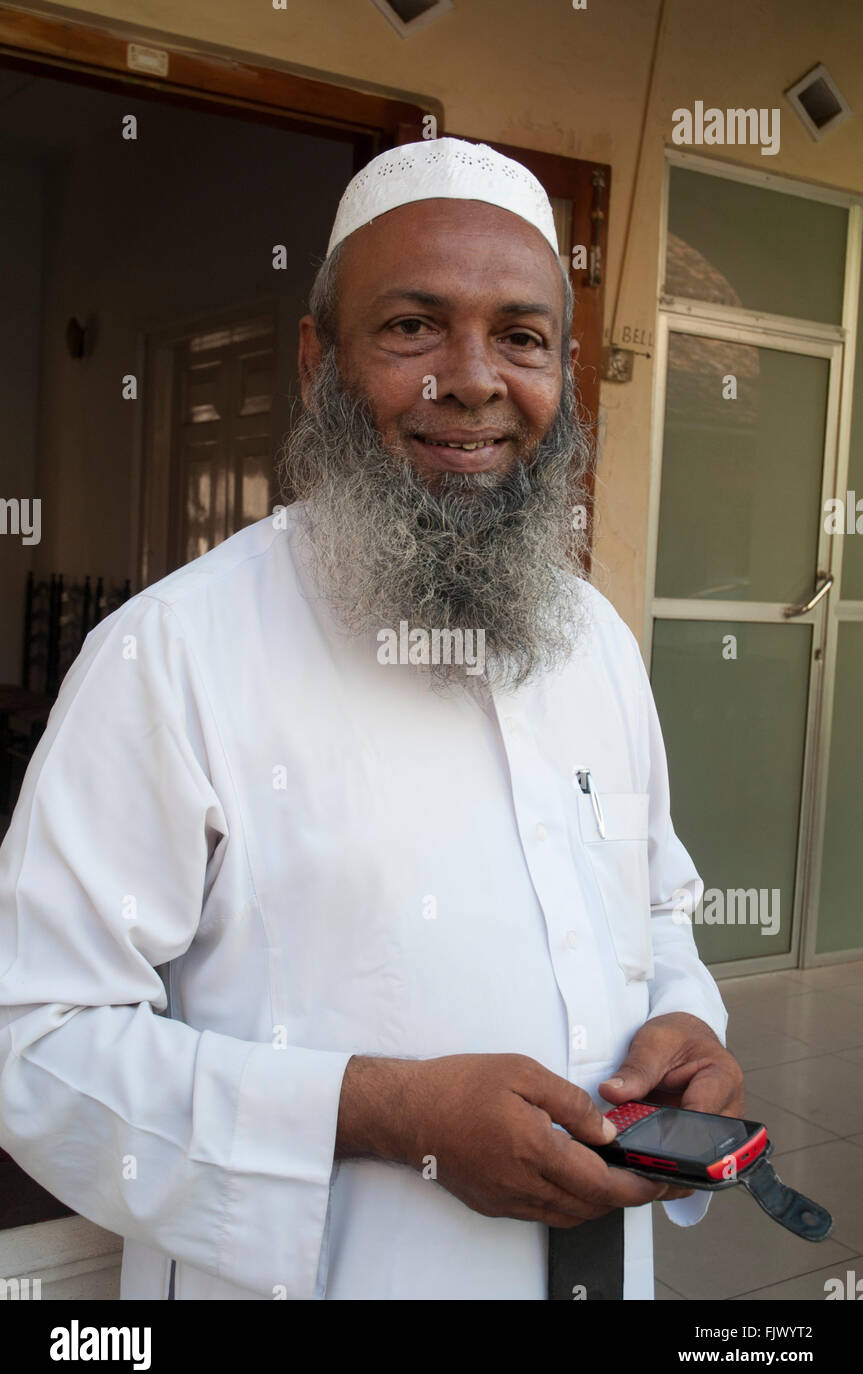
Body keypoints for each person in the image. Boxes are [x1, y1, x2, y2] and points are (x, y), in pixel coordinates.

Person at [0, 137, 741, 1300]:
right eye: (411, 326)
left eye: (520, 335)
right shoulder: (170, 656)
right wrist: (388, 1112)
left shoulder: (594, 639)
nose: (474, 379)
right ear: (315, 362)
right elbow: (31, 1044)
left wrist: (687, 1025)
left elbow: (655, 912)